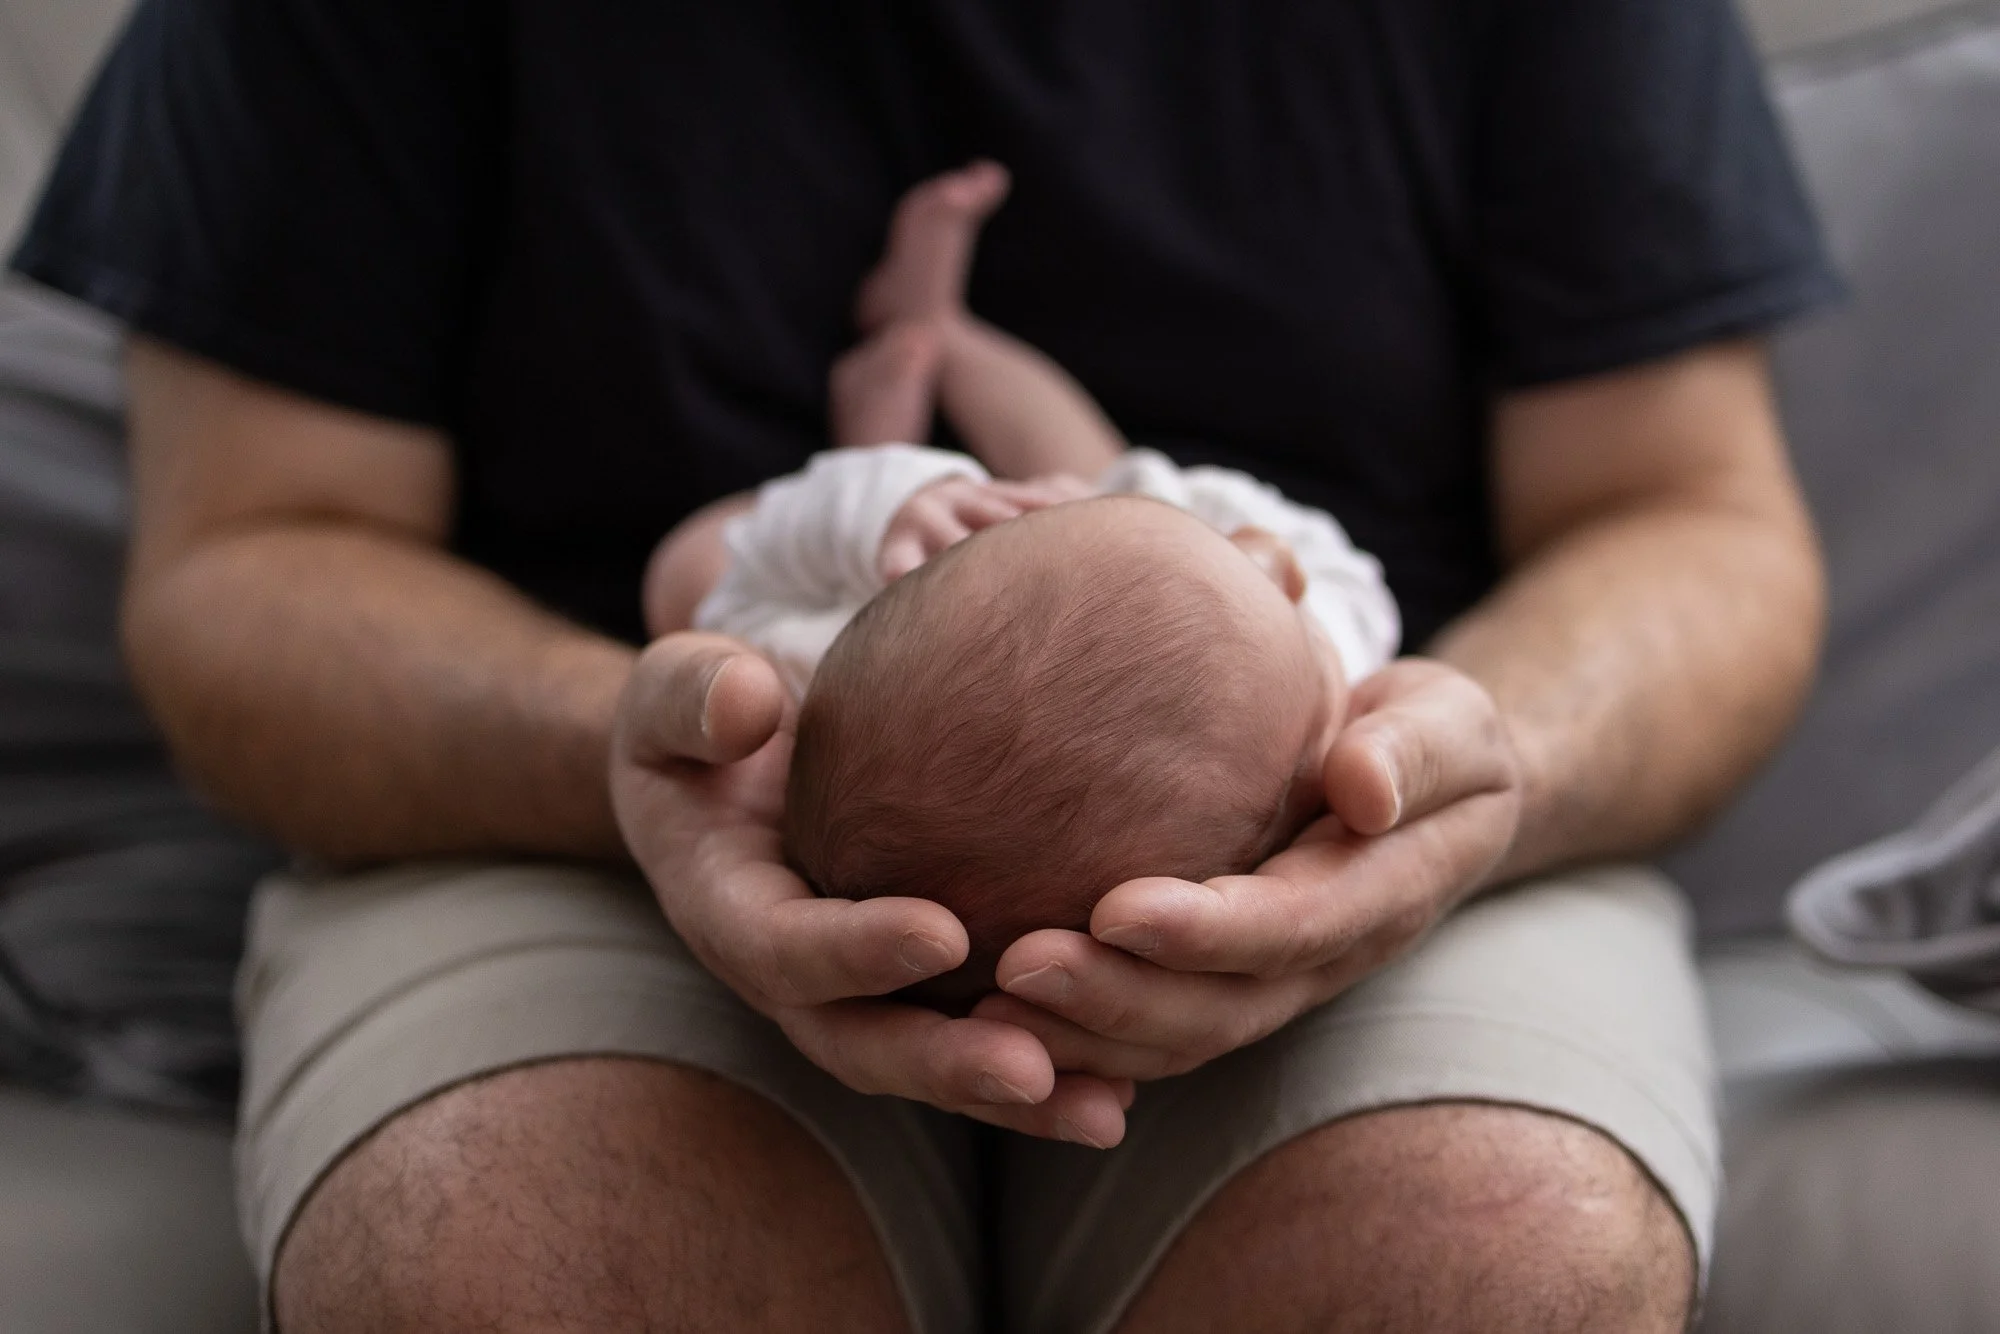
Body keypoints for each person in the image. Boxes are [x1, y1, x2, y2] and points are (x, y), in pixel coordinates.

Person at [13, 1, 1837, 1329]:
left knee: (1479, 1240)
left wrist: (1448, 774)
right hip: (578, 786)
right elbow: (256, 559)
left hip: (1349, 808)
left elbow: (1692, 517)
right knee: (529, 1247)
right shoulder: (848, 581)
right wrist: (649, 752)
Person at [648, 162, 1398, 996]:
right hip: (1132, 532)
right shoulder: (1300, 758)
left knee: (689, 573)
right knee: (1090, 462)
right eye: (1295, 621)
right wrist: (1320, 636)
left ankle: (899, 400)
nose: (1276, 559)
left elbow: (755, 563)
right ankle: (939, 332)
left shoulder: (808, 684)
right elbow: (1350, 582)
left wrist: (881, 507)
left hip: (884, 584)